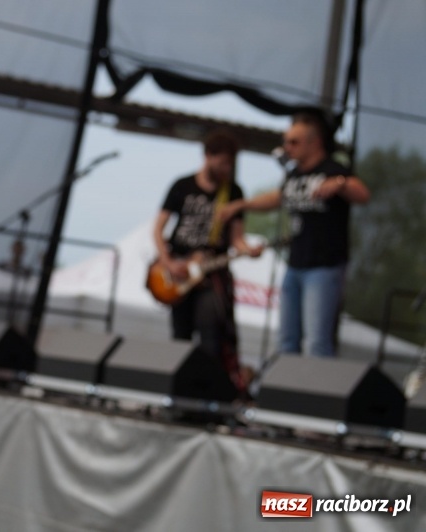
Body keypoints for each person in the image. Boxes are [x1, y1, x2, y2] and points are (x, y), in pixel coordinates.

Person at [219, 109, 370, 357]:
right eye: (286, 141)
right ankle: (287, 392)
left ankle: (316, 393)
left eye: (294, 142)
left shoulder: (333, 168)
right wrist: (241, 204)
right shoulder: (294, 174)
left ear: (314, 142)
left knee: (316, 341)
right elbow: (278, 198)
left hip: (324, 265)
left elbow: (362, 193)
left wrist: (340, 184)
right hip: (295, 263)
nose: (287, 147)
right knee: (287, 339)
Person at [153, 130, 262, 394]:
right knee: (180, 334)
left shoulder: (233, 191)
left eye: (231, 164)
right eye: (223, 162)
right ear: (208, 156)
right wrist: (167, 262)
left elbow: (237, 238)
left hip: (211, 273)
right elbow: (158, 229)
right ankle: (177, 392)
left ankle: (209, 394)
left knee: (211, 334)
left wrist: (249, 249)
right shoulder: (182, 185)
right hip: (179, 270)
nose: (227, 169)